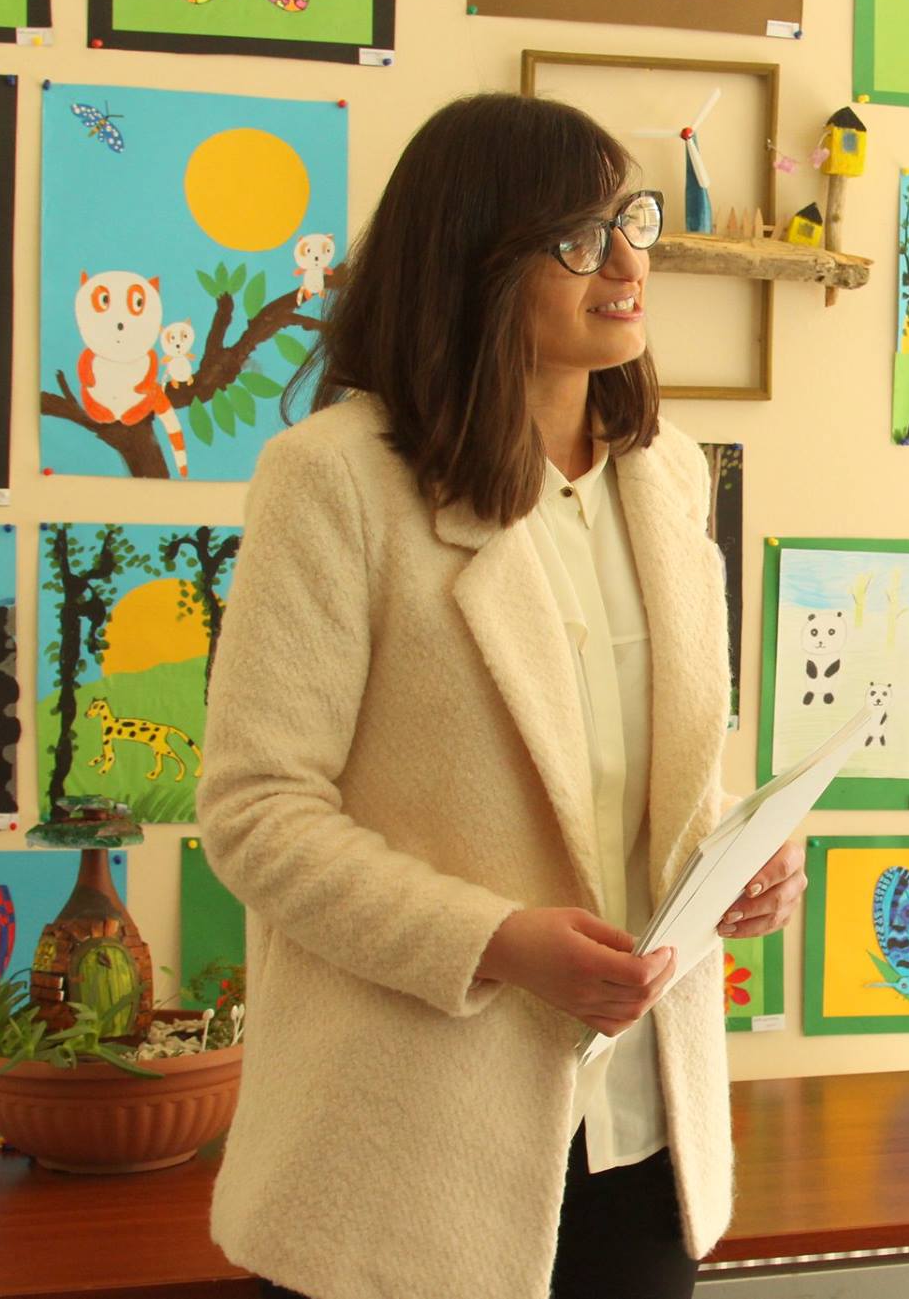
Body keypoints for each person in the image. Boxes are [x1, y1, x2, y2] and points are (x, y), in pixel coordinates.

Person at [197, 94, 801, 1299]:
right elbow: (256, 811)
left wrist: (739, 858)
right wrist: (493, 942)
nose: (628, 263)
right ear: (470, 262)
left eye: (631, 220)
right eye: (578, 237)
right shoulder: (334, 481)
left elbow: (646, 771)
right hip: (403, 1158)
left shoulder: (669, 476)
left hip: (642, 1138)